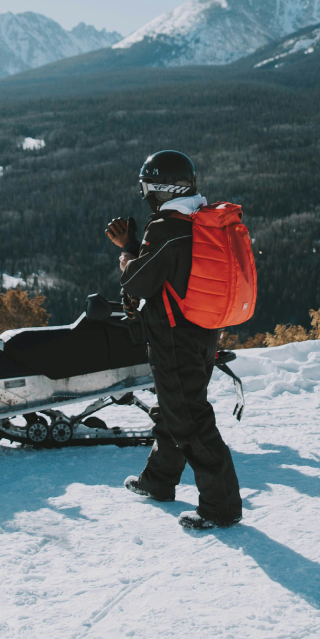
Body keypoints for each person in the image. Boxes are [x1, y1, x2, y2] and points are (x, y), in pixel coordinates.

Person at [105, 149, 243, 530]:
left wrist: (127, 250)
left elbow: (138, 280)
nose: (145, 194)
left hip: (174, 336)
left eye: (147, 187)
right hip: (202, 331)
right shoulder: (200, 218)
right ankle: (158, 481)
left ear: (159, 188)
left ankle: (221, 507)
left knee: (190, 420)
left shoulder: (168, 226)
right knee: (175, 408)